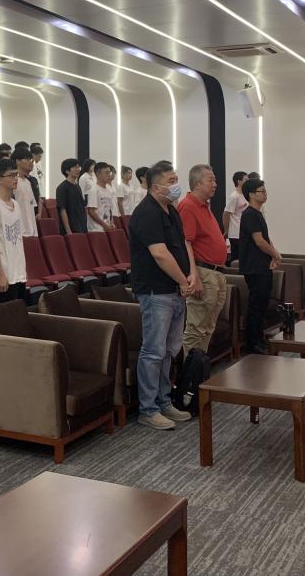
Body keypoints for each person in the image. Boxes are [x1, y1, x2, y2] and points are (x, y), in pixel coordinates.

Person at [129, 160, 195, 430]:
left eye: (176, 179)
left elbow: (183, 245)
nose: (176, 185)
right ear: (155, 187)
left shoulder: (171, 210)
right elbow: (160, 254)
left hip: (176, 290)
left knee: (170, 350)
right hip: (156, 291)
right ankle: (148, 409)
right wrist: (182, 280)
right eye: (171, 181)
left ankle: (164, 401)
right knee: (154, 351)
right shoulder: (146, 213)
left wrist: (191, 274)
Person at [176, 164, 227, 356]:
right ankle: (191, 370)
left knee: (208, 327)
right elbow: (186, 243)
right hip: (203, 273)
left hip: (215, 272)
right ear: (197, 183)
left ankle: (200, 365)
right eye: (210, 180)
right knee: (196, 329)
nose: (215, 184)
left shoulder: (204, 205)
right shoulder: (188, 206)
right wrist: (194, 276)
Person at [239, 178, 280, 354]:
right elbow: (259, 241)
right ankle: (252, 343)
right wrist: (275, 254)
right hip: (254, 266)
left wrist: (273, 254)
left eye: (265, 191)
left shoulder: (258, 213)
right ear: (251, 194)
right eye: (261, 191)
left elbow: (265, 238)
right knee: (256, 305)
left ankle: (259, 339)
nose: (265, 194)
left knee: (262, 303)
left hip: (261, 265)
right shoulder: (249, 214)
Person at [0, 158, 27, 304]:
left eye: (16, 175)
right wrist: (0, 274)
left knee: (19, 312)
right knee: (5, 315)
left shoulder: (16, 204)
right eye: (11, 175)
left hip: (19, 273)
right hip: (4, 274)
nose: (16, 179)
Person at [55, 158, 87, 235]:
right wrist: (68, 231)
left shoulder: (77, 186)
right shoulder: (62, 188)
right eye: (75, 167)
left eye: (79, 167)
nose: (78, 169)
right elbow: (62, 210)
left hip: (81, 226)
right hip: (71, 229)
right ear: (67, 171)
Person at [222, 170, 249, 262]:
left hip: (244, 232)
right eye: (246, 179)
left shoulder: (245, 195)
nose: (248, 181)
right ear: (239, 181)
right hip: (235, 233)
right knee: (236, 259)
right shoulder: (234, 196)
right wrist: (227, 230)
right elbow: (226, 214)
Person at [12, 148, 39, 237]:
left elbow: (31, 207)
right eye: (27, 159)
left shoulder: (28, 182)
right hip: (20, 232)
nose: (30, 162)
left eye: (31, 160)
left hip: (32, 231)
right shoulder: (12, 181)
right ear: (18, 161)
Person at [85, 162, 117, 232]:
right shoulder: (94, 190)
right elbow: (91, 211)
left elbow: (110, 209)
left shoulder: (109, 189)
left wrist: (112, 222)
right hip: (96, 230)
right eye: (106, 173)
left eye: (109, 172)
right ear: (98, 174)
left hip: (107, 227)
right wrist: (104, 225)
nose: (109, 175)